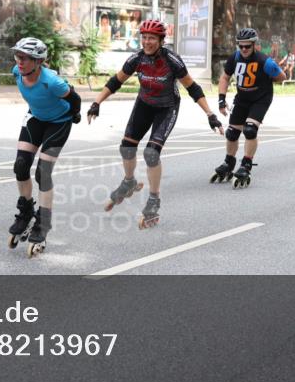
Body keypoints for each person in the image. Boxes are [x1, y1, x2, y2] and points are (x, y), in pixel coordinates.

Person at [87, 19, 224, 228]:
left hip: (167, 108)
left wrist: (210, 115)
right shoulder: (136, 59)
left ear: (161, 40)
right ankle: (129, 181)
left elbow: (193, 88)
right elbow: (116, 82)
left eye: (152, 38)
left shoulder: (172, 60)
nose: (147, 42)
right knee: (126, 147)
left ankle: (153, 199)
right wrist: (97, 103)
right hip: (144, 103)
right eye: (144, 38)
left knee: (151, 154)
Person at [7, 37, 82, 257]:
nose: (19, 62)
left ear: (38, 61)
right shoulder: (16, 72)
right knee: (21, 165)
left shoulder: (52, 82)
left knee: (43, 172)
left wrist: (74, 114)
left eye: (25, 58)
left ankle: (44, 221)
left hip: (59, 122)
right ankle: (26, 211)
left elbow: (74, 98)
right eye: (18, 56)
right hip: (36, 118)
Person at [211, 27, 288, 187]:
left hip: (261, 98)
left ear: (254, 45)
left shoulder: (263, 61)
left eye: (248, 46)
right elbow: (225, 78)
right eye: (241, 46)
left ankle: (246, 163)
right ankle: (229, 162)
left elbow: (282, 77)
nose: (244, 49)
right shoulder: (235, 58)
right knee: (232, 133)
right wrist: (221, 99)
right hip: (242, 98)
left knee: (250, 130)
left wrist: (267, 79)